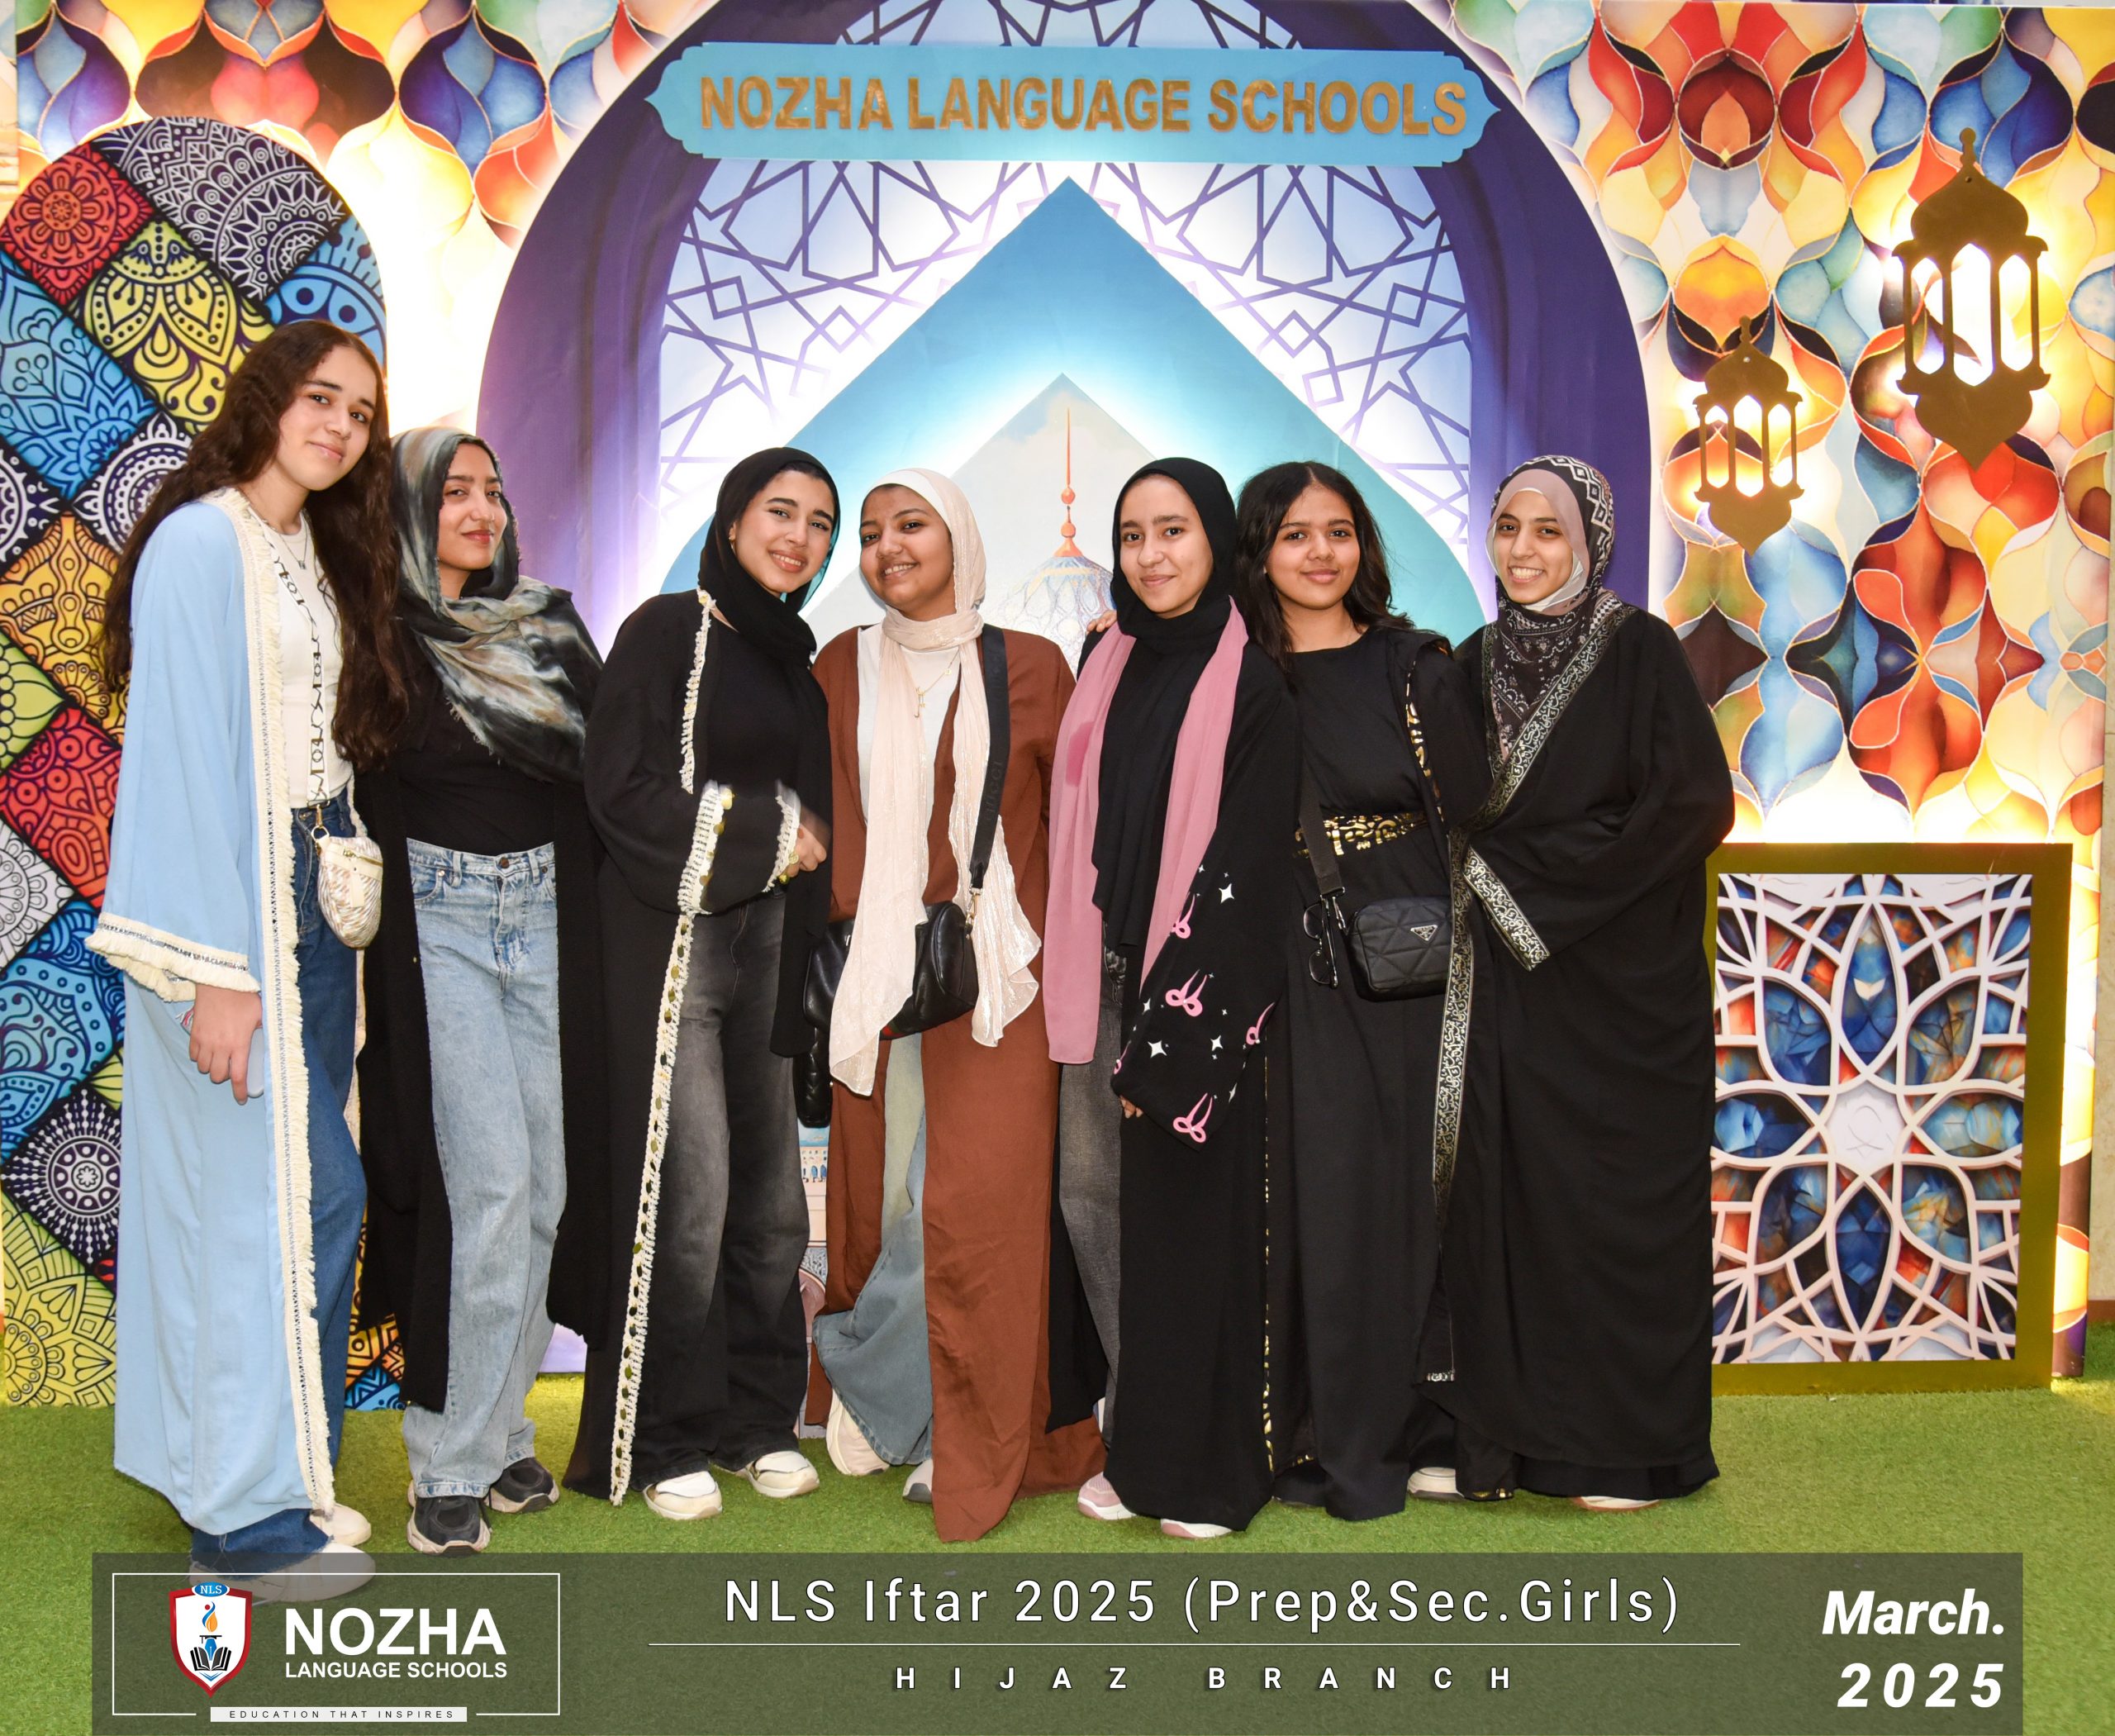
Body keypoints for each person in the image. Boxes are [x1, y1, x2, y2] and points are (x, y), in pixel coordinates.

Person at [90, 321, 410, 1597]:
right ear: (266, 398)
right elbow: (177, 759)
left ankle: (291, 1479)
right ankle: (239, 1519)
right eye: (321, 398)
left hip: (315, 902)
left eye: (361, 413)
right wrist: (213, 967)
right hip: (233, 911)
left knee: (301, 1201)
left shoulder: (311, 548)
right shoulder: (200, 540)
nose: (340, 426)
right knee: (277, 1202)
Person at [806, 469, 1105, 1539]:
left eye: (912, 525)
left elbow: (1069, 831)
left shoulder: (1032, 664)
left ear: (960, 539)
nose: (888, 546)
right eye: (871, 532)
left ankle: (952, 1424)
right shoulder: (838, 665)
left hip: (999, 980)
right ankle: (900, 1395)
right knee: (887, 1202)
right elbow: (824, 813)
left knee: (977, 1210)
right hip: (877, 976)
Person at [1433, 454, 1734, 1510]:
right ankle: (1508, 1446)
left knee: (1615, 1214)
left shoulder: (1639, 650)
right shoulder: (1466, 664)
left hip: (1624, 988)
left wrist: (1535, 890)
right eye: (1507, 527)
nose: (1522, 550)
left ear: (1590, 543)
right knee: (1516, 1212)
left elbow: (1690, 806)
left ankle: (1628, 1452)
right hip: (1510, 997)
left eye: (1547, 530)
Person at [566, 449, 835, 1519]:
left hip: (768, 953)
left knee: (771, 1205)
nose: (799, 537)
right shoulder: (668, 630)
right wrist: (769, 832)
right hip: (672, 945)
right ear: (730, 522)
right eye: (780, 511)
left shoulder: (795, 664)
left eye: (819, 522)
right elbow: (618, 786)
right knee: (688, 1197)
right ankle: (661, 1434)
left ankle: (754, 1420)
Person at [354, 428, 603, 1555]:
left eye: (493, 491)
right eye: (453, 491)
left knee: (547, 1190)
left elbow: (607, 775)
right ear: (409, 508)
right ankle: (446, 1464)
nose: (480, 509)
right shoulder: (378, 636)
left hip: (547, 917)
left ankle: (502, 1435)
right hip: (440, 926)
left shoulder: (548, 626)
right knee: (491, 1188)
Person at [1044, 458, 1300, 1540]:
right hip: (1097, 968)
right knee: (1093, 1203)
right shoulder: (1106, 659)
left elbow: (1249, 864)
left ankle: (1200, 1464)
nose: (1151, 555)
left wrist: (1172, 1033)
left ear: (1217, 541)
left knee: (1187, 1224)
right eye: (1133, 534)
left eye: (1174, 530)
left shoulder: (1255, 685)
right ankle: (1137, 1426)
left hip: (1190, 986)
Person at [1229, 460, 1488, 1520]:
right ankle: (1314, 1431)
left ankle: (1425, 1423)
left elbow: (1471, 808)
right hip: (1282, 952)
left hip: (1407, 950)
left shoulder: (1413, 663)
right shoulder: (1232, 671)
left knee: (1412, 1188)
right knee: (1311, 1190)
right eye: (1295, 534)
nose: (1320, 553)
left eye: (1338, 531)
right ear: (1259, 552)